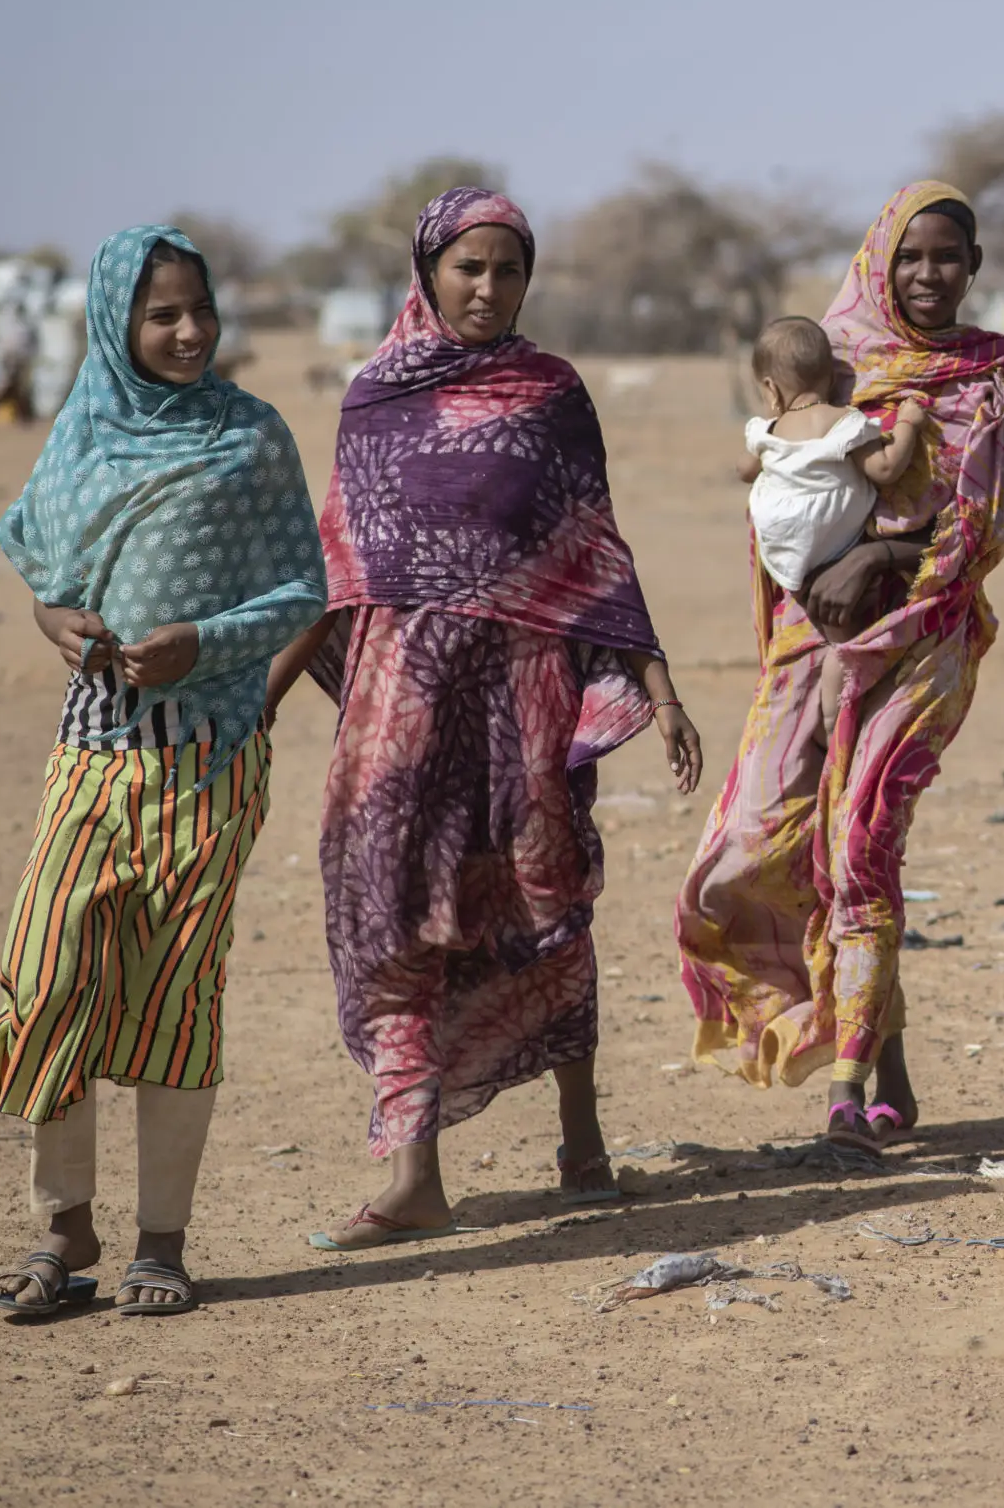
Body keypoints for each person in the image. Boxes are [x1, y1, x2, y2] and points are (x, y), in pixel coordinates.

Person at [265, 188, 702, 1251]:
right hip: (400, 701)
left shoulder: (550, 393)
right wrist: (261, 697)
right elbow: (337, 565)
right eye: (469, 267)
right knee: (393, 903)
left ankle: (583, 1138)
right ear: (426, 271)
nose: (488, 287)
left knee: (544, 892)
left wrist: (660, 688)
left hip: (525, 693)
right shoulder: (373, 396)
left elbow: (593, 548)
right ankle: (413, 1170)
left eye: (508, 270)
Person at [0, 226, 326, 1318]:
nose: (186, 331)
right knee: (47, 975)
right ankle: (62, 1223)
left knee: (176, 993)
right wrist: (54, 619)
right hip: (90, 748)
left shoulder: (251, 437)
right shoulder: (80, 429)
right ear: (114, 323)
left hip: (206, 756)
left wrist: (204, 642)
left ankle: (159, 1244)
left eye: (199, 310)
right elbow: (44, 571)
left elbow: (301, 592)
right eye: (160, 313)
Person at [675, 183, 1004, 1150]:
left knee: (862, 840)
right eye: (910, 256)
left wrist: (883, 557)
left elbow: (989, 517)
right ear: (881, 258)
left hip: (927, 633)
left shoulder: (996, 371)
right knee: (758, 839)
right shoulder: (835, 356)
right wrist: (819, 572)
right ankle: (890, 1069)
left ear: (976, 266)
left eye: (948, 256)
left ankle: (847, 1090)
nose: (928, 274)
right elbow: (781, 491)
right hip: (812, 637)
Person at [737, 315, 929, 734]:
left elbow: (745, 469)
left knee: (825, 623)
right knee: (844, 639)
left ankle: (825, 716)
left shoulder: (770, 428)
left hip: (785, 552)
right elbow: (884, 468)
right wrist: (910, 423)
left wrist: (769, 450)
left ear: (770, 389)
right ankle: (832, 719)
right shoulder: (844, 423)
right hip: (831, 547)